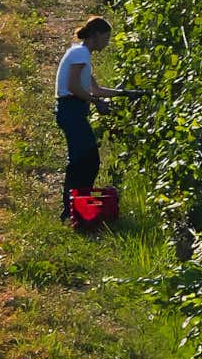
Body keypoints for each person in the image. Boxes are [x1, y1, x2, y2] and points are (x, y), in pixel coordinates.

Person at [54, 16, 143, 221]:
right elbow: (74, 86)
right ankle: (72, 209)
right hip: (71, 110)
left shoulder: (82, 55)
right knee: (83, 160)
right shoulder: (80, 53)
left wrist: (124, 93)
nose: (107, 42)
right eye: (106, 37)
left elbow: (95, 89)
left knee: (87, 159)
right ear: (95, 35)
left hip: (74, 110)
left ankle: (78, 206)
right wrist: (96, 103)